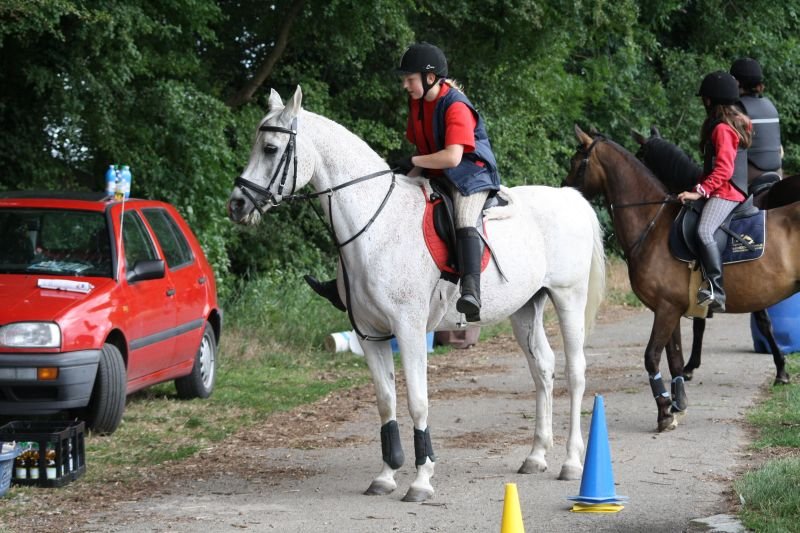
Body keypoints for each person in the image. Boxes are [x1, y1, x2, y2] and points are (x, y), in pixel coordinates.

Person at [306, 42, 501, 322]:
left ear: (430, 77)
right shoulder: (418, 103)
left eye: (409, 79)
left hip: (470, 175)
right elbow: (424, 151)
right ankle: (343, 287)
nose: (405, 85)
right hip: (438, 170)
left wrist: (414, 161)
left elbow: (453, 157)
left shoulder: (456, 106)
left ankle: (471, 291)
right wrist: (401, 175)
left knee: (463, 219)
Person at [677, 71, 752, 312]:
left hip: (728, 191)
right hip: (721, 187)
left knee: (704, 231)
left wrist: (700, 191)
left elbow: (724, 170)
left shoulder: (722, 129)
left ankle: (716, 290)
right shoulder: (728, 123)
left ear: (709, 100)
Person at [729, 57, 783, 180]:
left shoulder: (736, 109)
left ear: (736, 83)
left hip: (749, 175)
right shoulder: (770, 106)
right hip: (777, 172)